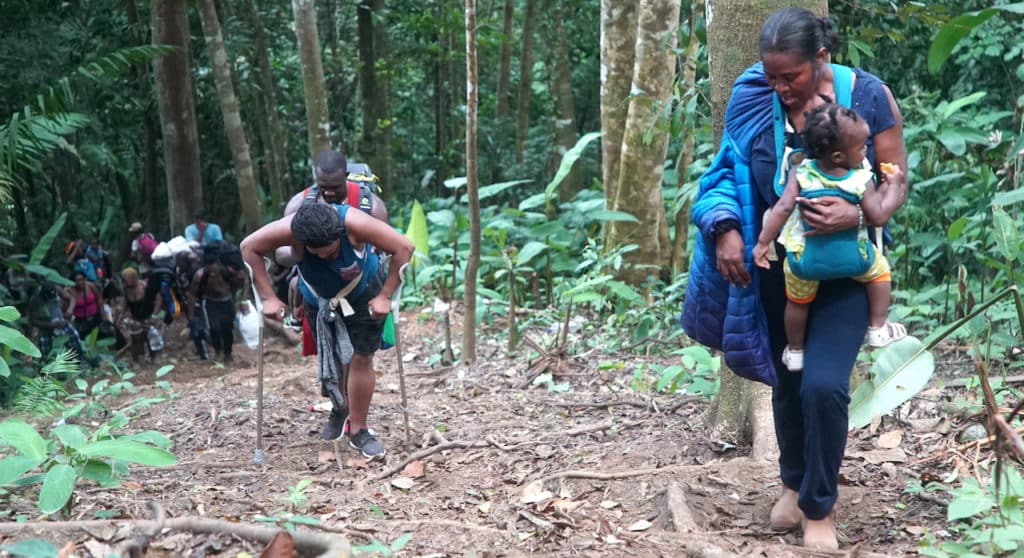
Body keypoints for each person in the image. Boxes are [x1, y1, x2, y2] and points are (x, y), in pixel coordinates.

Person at [680, 8, 908, 550]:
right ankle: (792, 479)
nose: (779, 87)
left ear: (820, 59)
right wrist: (728, 231)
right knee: (787, 379)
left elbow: (897, 177)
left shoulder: (869, 97)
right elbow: (725, 173)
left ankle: (819, 509)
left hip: (851, 269)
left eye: (791, 76)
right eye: (772, 75)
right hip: (781, 272)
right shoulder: (753, 97)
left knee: (825, 386)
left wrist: (862, 214)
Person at [241, 197, 413, 459]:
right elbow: (249, 247)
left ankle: (359, 429)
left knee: (361, 357)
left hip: (364, 292)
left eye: (330, 251)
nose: (324, 256)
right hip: (318, 298)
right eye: (316, 252)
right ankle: (339, 408)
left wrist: (386, 296)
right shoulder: (291, 229)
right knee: (331, 358)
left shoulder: (354, 223)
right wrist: (268, 298)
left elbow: (404, 247)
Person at [753, 103, 907, 371]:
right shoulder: (860, 179)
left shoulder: (801, 173)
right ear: (837, 156)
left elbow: (783, 208)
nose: (864, 153)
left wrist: (762, 243)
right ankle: (879, 326)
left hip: (805, 263)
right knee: (880, 273)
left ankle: (796, 350)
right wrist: (894, 185)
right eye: (861, 148)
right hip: (855, 260)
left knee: (797, 303)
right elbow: (879, 215)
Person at [190, 242, 247, 362]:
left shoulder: (228, 271)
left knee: (228, 328)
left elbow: (244, 279)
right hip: (211, 303)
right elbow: (192, 295)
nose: (214, 271)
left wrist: (243, 300)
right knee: (214, 328)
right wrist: (191, 318)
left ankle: (228, 353)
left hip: (227, 301)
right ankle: (218, 351)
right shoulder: (200, 275)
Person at [66, 270, 104, 339]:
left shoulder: (90, 286)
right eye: (77, 281)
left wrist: (103, 317)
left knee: (97, 338)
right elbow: (66, 307)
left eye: (82, 280)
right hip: (81, 322)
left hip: (95, 318)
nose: (80, 282)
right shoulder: (69, 291)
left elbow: (99, 300)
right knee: (85, 340)